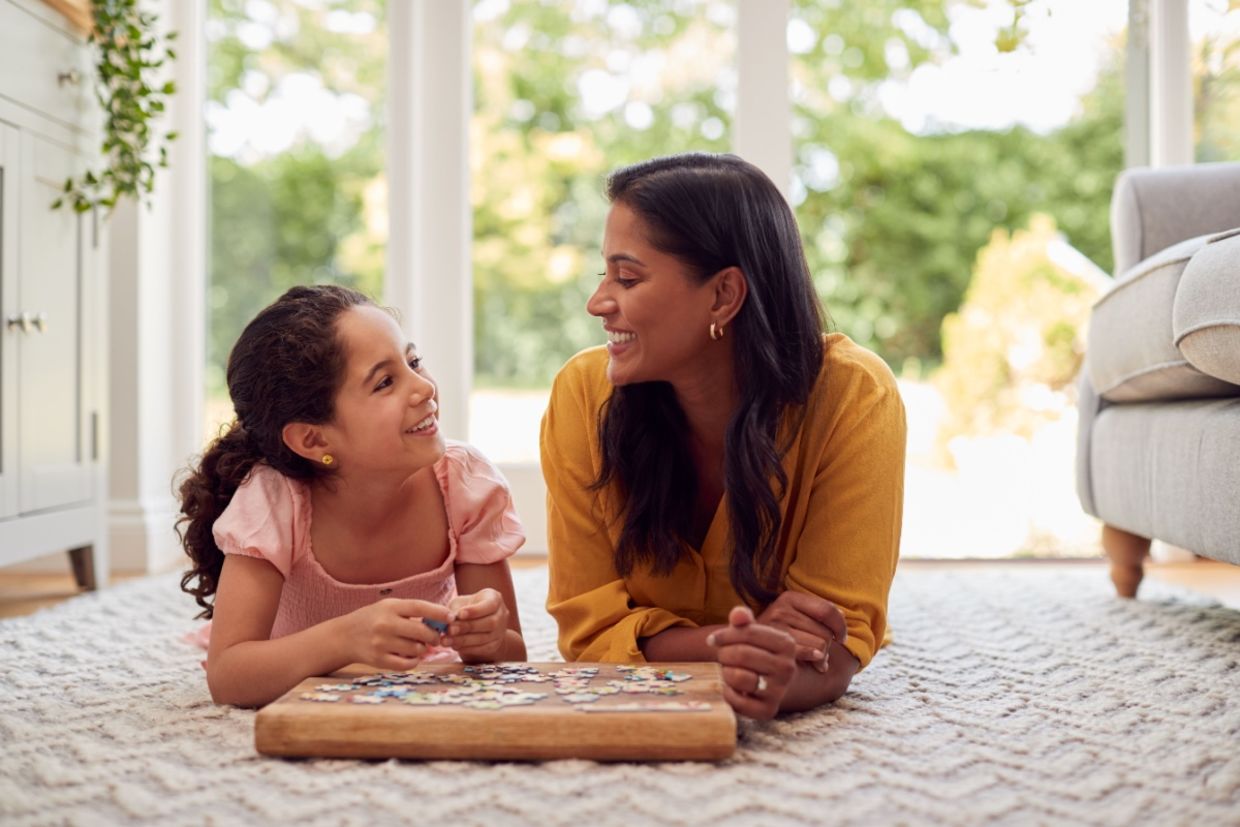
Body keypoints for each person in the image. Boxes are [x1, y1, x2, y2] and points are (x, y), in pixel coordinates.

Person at [541, 153, 906, 719]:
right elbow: (590, 634)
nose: (598, 303)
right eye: (603, 275)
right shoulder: (583, 395)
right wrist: (743, 643)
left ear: (723, 296)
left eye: (627, 277)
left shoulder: (855, 396)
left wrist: (774, 677)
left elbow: (835, 639)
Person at [177, 285, 526, 707]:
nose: (424, 389)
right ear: (312, 438)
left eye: (413, 362)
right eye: (384, 382)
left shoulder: (465, 484)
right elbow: (229, 677)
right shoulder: (273, 500)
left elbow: (512, 655)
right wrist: (345, 639)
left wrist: (487, 636)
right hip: (284, 660)